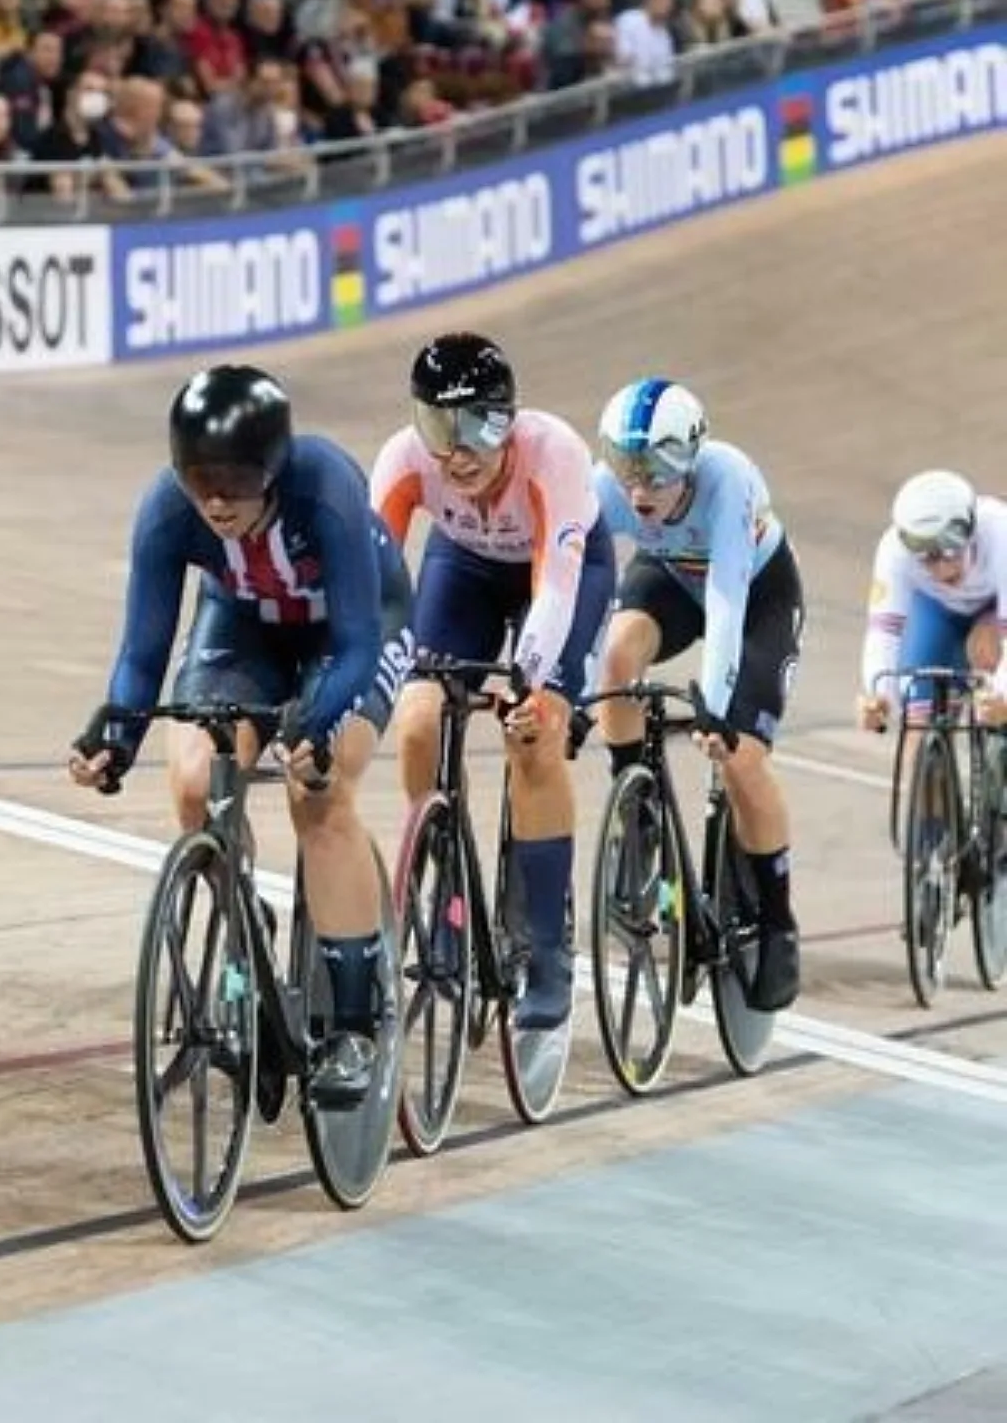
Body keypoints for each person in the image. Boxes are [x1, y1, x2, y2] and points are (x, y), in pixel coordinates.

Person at [67, 363, 416, 1108]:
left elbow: (357, 640)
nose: (217, 499)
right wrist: (116, 737)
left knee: (316, 790)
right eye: (201, 480)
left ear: (275, 467)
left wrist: (315, 726)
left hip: (355, 626)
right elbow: (141, 654)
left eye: (235, 478)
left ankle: (353, 1023)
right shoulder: (169, 508)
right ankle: (242, 913)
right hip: (246, 625)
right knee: (195, 781)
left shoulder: (324, 485)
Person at [370, 332, 616, 1033]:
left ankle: (546, 949)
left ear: (511, 415)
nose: (459, 449)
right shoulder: (403, 460)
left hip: (563, 574)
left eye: (480, 423)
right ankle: (444, 888)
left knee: (536, 738)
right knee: (418, 718)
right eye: (439, 426)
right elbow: (369, 586)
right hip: (465, 568)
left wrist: (528, 682)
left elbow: (556, 589)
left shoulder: (555, 455)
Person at [592, 376, 804, 1013]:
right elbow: (582, 591)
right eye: (627, 466)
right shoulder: (606, 491)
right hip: (669, 580)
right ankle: (638, 816)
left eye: (657, 469)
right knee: (618, 655)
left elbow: (728, 599)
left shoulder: (728, 478)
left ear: (689, 456)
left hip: (756, 593)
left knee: (741, 758)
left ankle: (776, 919)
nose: (639, 487)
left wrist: (715, 703)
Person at [856, 470, 1007, 733]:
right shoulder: (893, 552)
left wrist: (1002, 695)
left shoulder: (1000, 534)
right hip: (939, 610)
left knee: (986, 651)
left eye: (950, 548)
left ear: (971, 529)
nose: (941, 569)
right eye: (925, 555)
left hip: (993, 607)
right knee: (918, 725)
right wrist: (879, 697)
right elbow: (883, 634)